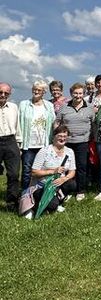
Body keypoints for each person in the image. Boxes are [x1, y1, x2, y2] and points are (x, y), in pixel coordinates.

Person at [55, 82, 95, 201]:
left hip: (83, 142)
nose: (78, 96)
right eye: (75, 93)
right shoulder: (64, 107)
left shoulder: (89, 108)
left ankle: (81, 190)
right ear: (71, 93)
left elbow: (93, 124)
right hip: (66, 142)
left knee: (81, 166)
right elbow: (57, 122)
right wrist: (56, 135)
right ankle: (68, 189)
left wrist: (92, 138)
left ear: (84, 94)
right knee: (67, 167)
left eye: (80, 93)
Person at [27, 124, 76, 217]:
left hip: (59, 184)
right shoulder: (44, 151)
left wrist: (64, 179)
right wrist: (53, 171)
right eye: (60, 136)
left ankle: (57, 201)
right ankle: (36, 206)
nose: (62, 139)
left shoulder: (70, 152)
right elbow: (34, 172)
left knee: (72, 184)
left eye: (65, 136)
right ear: (54, 137)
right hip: (43, 185)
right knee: (52, 206)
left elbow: (72, 171)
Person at [18, 80, 56, 190]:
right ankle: (25, 195)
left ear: (44, 92)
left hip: (43, 144)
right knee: (26, 171)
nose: (36, 91)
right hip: (28, 144)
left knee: (43, 170)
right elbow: (19, 123)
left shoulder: (49, 105)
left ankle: (40, 193)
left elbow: (53, 122)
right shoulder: (24, 104)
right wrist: (19, 141)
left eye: (39, 90)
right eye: (34, 89)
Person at [0, 82, 21, 211]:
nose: (2, 95)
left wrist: (19, 144)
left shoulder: (13, 107)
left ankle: (11, 202)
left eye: (6, 93)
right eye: (0, 92)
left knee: (13, 174)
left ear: (9, 94)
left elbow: (17, 125)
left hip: (11, 141)